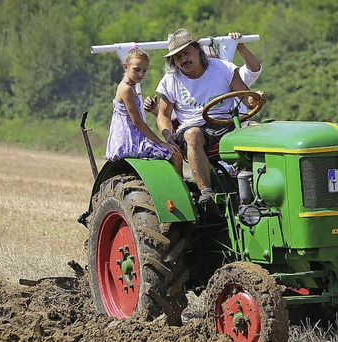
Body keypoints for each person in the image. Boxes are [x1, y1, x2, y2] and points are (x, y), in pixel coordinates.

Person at [155, 28, 266, 220]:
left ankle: (262, 189)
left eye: (186, 53)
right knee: (193, 135)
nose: (183, 59)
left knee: (259, 130)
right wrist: (167, 135)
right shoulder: (170, 80)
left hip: (228, 123)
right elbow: (163, 115)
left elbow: (247, 99)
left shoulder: (222, 68)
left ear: (197, 49)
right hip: (194, 128)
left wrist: (258, 99)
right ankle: (207, 193)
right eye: (178, 57)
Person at [105, 47, 183, 176]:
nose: (141, 74)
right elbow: (138, 123)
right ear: (125, 66)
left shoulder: (131, 87)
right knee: (176, 155)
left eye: (144, 70)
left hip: (134, 140)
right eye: (136, 70)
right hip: (130, 144)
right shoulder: (126, 89)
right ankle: (182, 192)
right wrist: (160, 142)